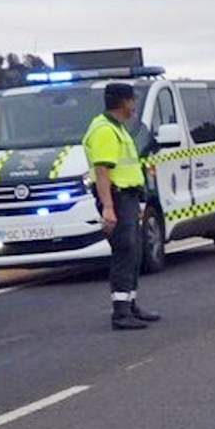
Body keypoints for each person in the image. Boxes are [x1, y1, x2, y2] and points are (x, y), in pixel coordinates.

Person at [81, 83, 161, 331]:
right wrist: (108, 207)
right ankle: (121, 312)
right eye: (132, 101)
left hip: (128, 197)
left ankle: (131, 304)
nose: (134, 106)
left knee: (134, 251)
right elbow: (102, 170)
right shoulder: (105, 130)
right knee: (124, 251)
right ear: (123, 102)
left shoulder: (118, 129)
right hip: (117, 197)